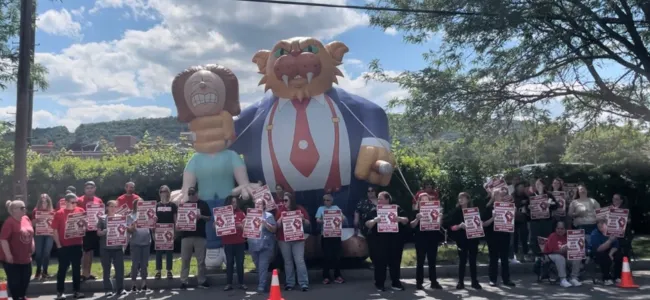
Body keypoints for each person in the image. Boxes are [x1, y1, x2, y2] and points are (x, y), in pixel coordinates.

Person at [364, 191, 409, 292]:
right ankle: (379, 284)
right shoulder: (374, 210)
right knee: (380, 263)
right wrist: (374, 220)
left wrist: (399, 219)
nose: (378, 200)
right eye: (378, 199)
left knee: (395, 263)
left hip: (395, 241)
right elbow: (367, 223)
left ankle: (395, 283)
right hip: (379, 242)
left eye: (381, 198)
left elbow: (406, 220)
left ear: (387, 200)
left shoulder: (396, 208)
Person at [443, 192, 482, 290]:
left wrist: (479, 224)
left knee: (473, 261)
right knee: (462, 261)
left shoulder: (474, 211)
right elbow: (450, 227)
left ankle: (474, 282)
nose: (460, 200)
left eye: (463, 198)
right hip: (461, 239)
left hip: (473, 238)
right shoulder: (456, 212)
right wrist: (459, 226)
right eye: (459, 198)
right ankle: (461, 282)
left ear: (468, 200)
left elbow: (479, 224)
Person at [52, 193, 86, 299]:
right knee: (62, 269)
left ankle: (76, 291)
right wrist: (58, 245)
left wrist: (85, 225)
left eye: (76, 202)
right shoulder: (59, 213)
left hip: (77, 244)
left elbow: (85, 226)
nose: (75, 204)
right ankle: (60, 292)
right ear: (66, 202)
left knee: (76, 269)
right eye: (72, 202)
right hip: (64, 245)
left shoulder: (81, 211)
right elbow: (54, 230)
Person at [275, 192, 311, 291]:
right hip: (284, 240)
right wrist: (281, 218)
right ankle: (290, 283)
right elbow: (276, 226)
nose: (284, 202)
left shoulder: (300, 209)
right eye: (283, 200)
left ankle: (303, 283)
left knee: (299, 261)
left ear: (291, 200)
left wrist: (303, 220)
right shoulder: (281, 210)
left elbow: (308, 223)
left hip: (298, 239)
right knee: (288, 262)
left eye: (286, 200)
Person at [1, 200, 34, 300]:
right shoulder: (9, 222)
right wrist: (8, 255)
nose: (24, 209)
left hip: (26, 256)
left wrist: (32, 245)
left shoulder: (26, 218)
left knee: (26, 278)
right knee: (15, 281)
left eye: (24, 207)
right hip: (13, 258)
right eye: (21, 208)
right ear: (14, 210)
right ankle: (17, 297)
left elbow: (30, 233)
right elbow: (3, 239)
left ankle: (22, 296)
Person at [179, 187, 212, 290]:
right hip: (186, 236)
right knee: (185, 260)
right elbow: (180, 220)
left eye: (193, 193)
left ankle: (202, 280)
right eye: (189, 193)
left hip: (200, 236)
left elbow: (209, 218)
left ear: (197, 193)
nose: (191, 195)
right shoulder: (184, 205)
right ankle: (183, 281)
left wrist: (200, 216)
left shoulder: (203, 204)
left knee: (201, 261)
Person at [482, 189, 515, 287]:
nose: (502, 197)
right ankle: (493, 279)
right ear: (494, 197)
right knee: (493, 258)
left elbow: (511, 221)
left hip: (504, 235)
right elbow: (484, 224)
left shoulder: (508, 207)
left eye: (504, 195)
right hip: (492, 236)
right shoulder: (488, 208)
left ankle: (506, 279)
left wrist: (513, 213)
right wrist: (493, 218)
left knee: (505, 258)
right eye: (500, 195)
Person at [409, 193, 443, 290]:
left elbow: (439, 224)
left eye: (426, 199)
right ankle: (419, 282)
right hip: (420, 239)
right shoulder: (415, 211)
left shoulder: (434, 210)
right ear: (419, 202)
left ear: (430, 200)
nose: (424, 201)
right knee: (420, 261)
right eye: (422, 200)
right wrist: (417, 218)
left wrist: (440, 217)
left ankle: (433, 281)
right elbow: (411, 225)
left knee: (432, 261)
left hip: (433, 237)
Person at [248, 198, 277, 294]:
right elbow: (246, 229)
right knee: (258, 266)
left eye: (260, 204)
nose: (257, 205)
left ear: (264, 206)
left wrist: (266, 223)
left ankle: (261, 286)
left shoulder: (269, 216)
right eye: (256, 204)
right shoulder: (250, 215)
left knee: (263, 266)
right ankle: (263, 283)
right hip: (253, 245)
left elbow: (274, 230)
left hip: (266, 246)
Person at [96, 200, 125, 296]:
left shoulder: (121, 218)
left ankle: (120, 289)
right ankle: (108, 289)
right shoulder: (102, 218)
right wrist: (107, 230)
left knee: (120, 269)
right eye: (111, 206)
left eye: (115, 206)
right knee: (106, 269)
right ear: (107, 207)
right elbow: (98, 233)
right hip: (105, 248)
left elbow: (124, 231)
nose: (113, 208)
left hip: (118, 248)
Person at [315, 194, 345, 285]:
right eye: (324, 200)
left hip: (336, 235)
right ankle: (326, 276)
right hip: (326, 235)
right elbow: (317, 220)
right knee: (326, 256)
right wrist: (325, 220)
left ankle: (337, 276)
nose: (326, 202)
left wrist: (339, 218)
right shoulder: (321, 209)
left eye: (328, 200)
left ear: (332, 201)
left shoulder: (336, 207)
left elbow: (343, 218)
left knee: (337, 256)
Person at [543, 220, 582, 288]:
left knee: (577, 256)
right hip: (552, 255)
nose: (560, 230)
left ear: (565, 229)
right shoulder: (552, 236)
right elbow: (552, 251)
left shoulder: (569, 236)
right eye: (558, 228)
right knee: (559, 257)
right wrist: (562, 250)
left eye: (562, 229)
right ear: (555, 229)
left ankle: (574, 278)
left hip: (566, 257)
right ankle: (562, 279)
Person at [78, 181, 103, 281]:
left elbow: (101, 215)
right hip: (84, 229)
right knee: (86, 252)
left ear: (95, 188)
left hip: (94, 229)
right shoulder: (79, 200)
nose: (89, 189)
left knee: (91, 251)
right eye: (87, 188)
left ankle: (88, 272)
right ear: (84, 189)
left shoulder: (99, 200)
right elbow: (76, 213)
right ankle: (84, 273)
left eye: (91, 188)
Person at [221, 195, 247, 291]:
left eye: (235, 202)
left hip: (240, 242)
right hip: (228, 242)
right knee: (229, 263)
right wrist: (216, 224)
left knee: (240, 263)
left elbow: (247, 228)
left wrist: (241, 226)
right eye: (232, 202)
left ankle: (241, 283)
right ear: (228, 203)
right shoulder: (222, 214)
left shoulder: (241, 213)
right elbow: (215, 227)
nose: (234, 204)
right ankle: (229, 283)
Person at [528, 179, 558, 258]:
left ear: (544, 185)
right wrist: (528, 207)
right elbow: (526, 209)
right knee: (535, 238)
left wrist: (550, 205)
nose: (538, 186)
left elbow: (556, 205)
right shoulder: (532, 196)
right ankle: (537, 256)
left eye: (539, 184)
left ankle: (546, 255)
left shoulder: (549, 195)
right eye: (536, 184)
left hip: (546, 221)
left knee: (546, 237)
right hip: (535, 221)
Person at [127, 199, 152, 292]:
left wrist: (154, 221)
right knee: (135, 264)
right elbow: (129, 230)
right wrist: (133, 225)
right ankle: (133, 285)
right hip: (135, 243)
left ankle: (144, 284)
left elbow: (152, 228)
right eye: (139, 204)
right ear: (135, 205)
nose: (141, 205)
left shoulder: (149, 214)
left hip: (146, 242)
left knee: (144, 264)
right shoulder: (130, 216)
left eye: (142, 204)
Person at [590, 219, 623, 285]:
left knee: (619, 255)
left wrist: (611, 253)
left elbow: (616, 245)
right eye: (599, 224)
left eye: (603, 223)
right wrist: (609, 241)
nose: (601, 225)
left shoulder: (611, 232)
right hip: (598, 252)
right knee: (604, 256)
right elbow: (599, 249)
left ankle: (617, 276)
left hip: (610, 250)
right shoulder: (594, 234)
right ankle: (606, 278)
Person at [154, 185, 177, 279]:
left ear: (168, 193)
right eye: (162, 191)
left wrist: (175, 231)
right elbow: (152, 219)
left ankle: (169, 271)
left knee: (169, 252)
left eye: (165, 191)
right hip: (158, 231)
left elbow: (175, 219)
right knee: (158, 252)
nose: (163, 193)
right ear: (159, 193)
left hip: (169, 231)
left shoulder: (173, 205)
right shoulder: (156, 205)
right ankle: (158, 271)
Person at [32, 193, 55, 280]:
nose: (44, 202)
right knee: (38, 253)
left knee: (46, 252)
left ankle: (45, 271)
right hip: (39, 234)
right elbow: (32, 224)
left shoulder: (53, 211)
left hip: (49, 234)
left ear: (49, 201)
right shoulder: (35, 210)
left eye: (45, 200)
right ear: (39, 201)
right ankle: (38, 270)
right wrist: (36, 220)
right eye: (42, 200)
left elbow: (55, 224)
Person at [511, 182, 530, 263]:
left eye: (523, 187)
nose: (521, 188)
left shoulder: (526, 196)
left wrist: (526, 206)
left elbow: (530, 204)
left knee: (524, 236)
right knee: (514, 237)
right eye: (520, 187)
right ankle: (514, 254)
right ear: (516, 188)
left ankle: (525, 253)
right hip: (513, 219)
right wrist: (520, 203)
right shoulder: (512, 196)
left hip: (523, 219)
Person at [611, 194, 633, 258]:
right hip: (612, 234)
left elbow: (629, 220)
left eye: (616, 199)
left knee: (624, 253)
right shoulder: (610, 208)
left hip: (623, 235)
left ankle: (625, 265)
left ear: (621, 200)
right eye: (613, 198)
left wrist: (619, 218)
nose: (614, 200)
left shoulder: (624, 209)